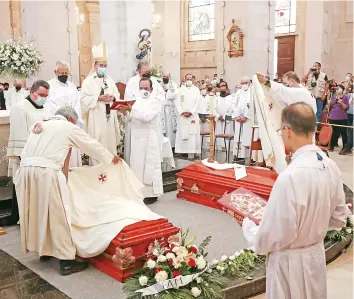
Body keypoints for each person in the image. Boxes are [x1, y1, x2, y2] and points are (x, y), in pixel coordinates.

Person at [242, 102, 347, 299]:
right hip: (315, 257)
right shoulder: (330, 166)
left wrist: (248, 226)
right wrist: (314, 227)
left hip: (288, 265)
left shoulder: (290, 177)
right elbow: (340, 218)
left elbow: (270, 237)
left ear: (287, 130)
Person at [15, 106, 120, 275]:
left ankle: (45, 251)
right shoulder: (68, 127)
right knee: (58, 214)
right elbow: (91, 145)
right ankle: (66, 261)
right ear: (71, 119)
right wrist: (110, 157)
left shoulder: (41, 124)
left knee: (37, 212)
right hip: (46, 172)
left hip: (26, 171)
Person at [6, 80, 52, 226]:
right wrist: (27, 159)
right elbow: (19, 134)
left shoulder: (46, 107)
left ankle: (39, 219)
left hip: (44, 155)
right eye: (41, 94)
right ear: (32, 91)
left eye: (46, 95)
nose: (44, 98)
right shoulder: (19, 108)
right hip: (26, 157)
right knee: (25, 191)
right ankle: (25, 220)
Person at [118, 78, 163, 205]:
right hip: (135, 138)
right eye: (141, 88)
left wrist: (129, 110)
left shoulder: (155, 102)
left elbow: (146, 117)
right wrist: (123, 112)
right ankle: (138, 192)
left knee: (148, 166)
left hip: (148, 139)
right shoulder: (135, 102)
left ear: (151, 89)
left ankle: (151, 193)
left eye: (146, 88)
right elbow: (129, 120)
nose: (143, 91)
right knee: (136, 165)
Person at [80, 42, 121, 165]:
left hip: (109, 119)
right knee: (98, 145)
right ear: (95, 65)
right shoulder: (88, 82)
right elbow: (83, 101)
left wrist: (113, 98)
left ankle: (111, 172)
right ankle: (98, 173)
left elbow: (117, 95)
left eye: (105, 65)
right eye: (101, 65)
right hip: (96, 118)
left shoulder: (109, 80)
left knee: (110, 145)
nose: (103, 67)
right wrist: (98, 98)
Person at [124, 61, 164, 164]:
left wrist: (153, 101)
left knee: (151, 154)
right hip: (137, 120)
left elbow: (161, 95)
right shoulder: (132, 82)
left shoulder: (153, 81)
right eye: (145, 72)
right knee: (137, 156)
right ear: (138, 71)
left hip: (150, 117)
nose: (147, 74)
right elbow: (129, 99)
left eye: (148, 72)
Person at [48, 61, 84, 167]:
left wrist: (74, 116)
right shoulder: (49, 85)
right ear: (55, 72)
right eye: (61, 73)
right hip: (59, 122)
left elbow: (78, 102)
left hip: (73, 121)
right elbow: (50, 103)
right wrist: (64, 116)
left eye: (66, 73)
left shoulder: (72, 85)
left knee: (73, 149)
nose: (64, 75)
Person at [175, 74, 201, 159]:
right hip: (183, 115)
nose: (189, 80)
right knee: (183, 132)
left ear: (193, 80)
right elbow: (177, 102)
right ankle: (183, 151)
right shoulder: (180, 90)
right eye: (187, 79)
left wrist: (191, 112)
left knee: (192, 134)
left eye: (190, 79)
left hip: (192, 115)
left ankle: (192, 153)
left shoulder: (196, 90)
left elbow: (197, 102)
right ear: (184, 79)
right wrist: (182, 112)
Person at [232, 77, 253, 162]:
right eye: (242, 83)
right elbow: (233, 104)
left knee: (247, 137)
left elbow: (252, 106)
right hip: (238, 119)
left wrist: (246, 116)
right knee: (238, 137)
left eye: (246, 82)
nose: (244, 84)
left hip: (248, 119)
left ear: (249, 83)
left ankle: (249, 156)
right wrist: (237, 116)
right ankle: (239, 155)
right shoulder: (238, 93)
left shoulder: (252, 93)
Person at [327, 84, 350, 152]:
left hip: (342, 118)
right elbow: (330, 107)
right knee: (333, 132)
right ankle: (332, 146)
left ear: (342, 90)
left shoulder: (345, 97)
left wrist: (341, 103)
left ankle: (345, 148)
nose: (338, 89)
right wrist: (329, 104)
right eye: (337, 88)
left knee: (343, 133)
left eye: (340, 88)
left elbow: (347, 108)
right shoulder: (333, 97)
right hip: (332, 117)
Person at [160, 72, 178, 148]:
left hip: (170, 107)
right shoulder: (158, 84)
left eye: (166, 76)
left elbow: (175, 94)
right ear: (161, 76)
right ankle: (163, 146)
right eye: (164, 76)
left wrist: (167, 92)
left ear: (169, 77)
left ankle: (172, 145)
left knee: (170, 127)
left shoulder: (173, 84)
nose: (165, 77)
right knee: (163, 126)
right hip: (162, 108)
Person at [215, 82, 233, 151]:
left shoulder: (231, 97)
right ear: (219, 88)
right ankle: (219, 148)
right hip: (219, 120)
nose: (222, 88)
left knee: (228, 133)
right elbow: (214, 108)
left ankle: (228, 148)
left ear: (227, 88)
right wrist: (218, 116)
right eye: (221, 86)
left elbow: (232, 108)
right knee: (219, 134)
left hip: (227, 120)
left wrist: (225, 116)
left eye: (224, 86)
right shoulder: (216, 98)